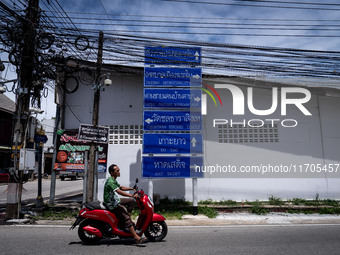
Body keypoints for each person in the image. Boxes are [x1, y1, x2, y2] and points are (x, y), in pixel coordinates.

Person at [103, 164, 147, 244]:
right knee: (126, 215)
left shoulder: (113, 180)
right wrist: (132, 195)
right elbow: (119, 191)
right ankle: (136, 237)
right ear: (112, 172)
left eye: (119, 170)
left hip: (115, 200)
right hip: (111, 203)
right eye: (117, 171)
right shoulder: (110, 181)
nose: (119, 172)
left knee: (131, 201)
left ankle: (126, 223)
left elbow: (121, 188)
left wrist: (132, 189)